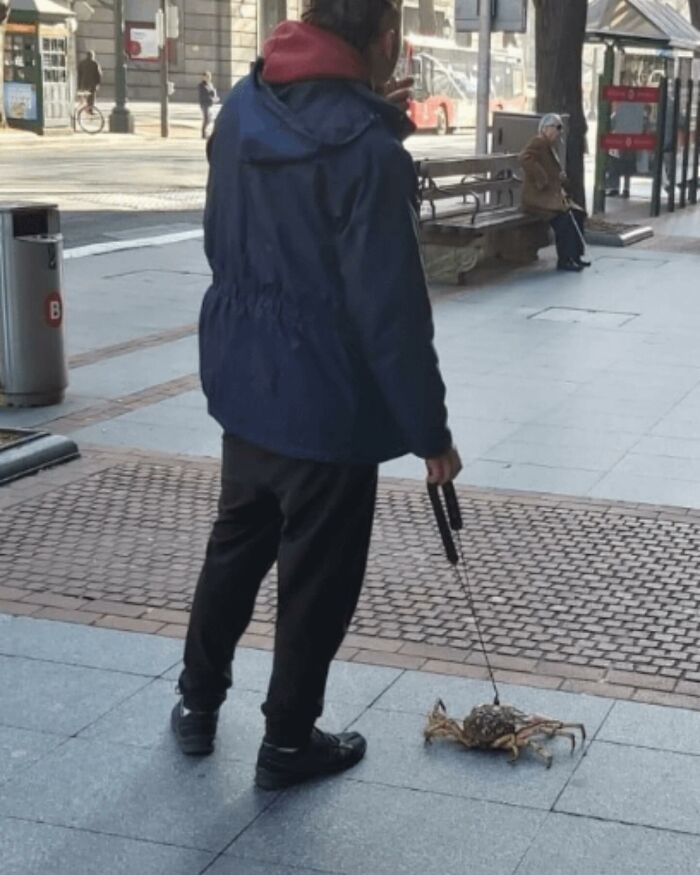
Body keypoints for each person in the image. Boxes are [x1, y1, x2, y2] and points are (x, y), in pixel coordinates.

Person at [171, 0, 461, 791]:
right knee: (317, 580)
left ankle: (196, 704)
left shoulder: (239, 110)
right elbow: (392, 309)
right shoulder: (368, 149)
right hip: (329, 403)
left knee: (234, 547)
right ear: (384, 42)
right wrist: (430, 431)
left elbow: (217, 238)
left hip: (246, 380)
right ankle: (288, 740)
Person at [519, 113, 590, 273]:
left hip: (549, 198)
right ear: (546, 128)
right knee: (564, 221)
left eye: (560, 128)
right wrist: (541, 178)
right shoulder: (538, 141)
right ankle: (565, 260)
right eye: (557, 127)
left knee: (577, 214)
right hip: (537, 199)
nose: (559, 132)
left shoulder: (550, 146)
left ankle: (575, 256)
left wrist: (560, 178)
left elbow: (552, 172)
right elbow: (524, 158)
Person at [197, 71, 218, 140]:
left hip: (210, 104)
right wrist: (212, 99)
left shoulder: (210, 84)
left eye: (209, 76)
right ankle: (203, 134)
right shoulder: (201, 85)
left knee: (211, 119)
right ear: (203, 77)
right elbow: (203, 96)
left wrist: (215, 97)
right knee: (206, 119)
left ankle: (207, 133)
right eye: (207, 76)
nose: (209, 78)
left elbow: (213, 93)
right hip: (204, 104)